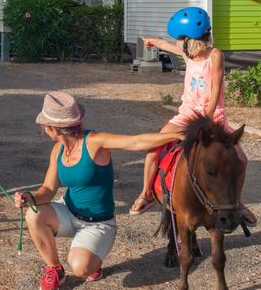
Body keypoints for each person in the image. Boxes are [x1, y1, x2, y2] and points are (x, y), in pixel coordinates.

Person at [14, 91, 183, 290]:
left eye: (44, 126)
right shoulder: (57, 150)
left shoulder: (94, 141)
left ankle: (93, 261)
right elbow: (49, 190)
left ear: (53, 129)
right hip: (68, 212)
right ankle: (54, 269)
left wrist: (176, 135)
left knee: (80, 268)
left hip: (98, 224)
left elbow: (135, 142)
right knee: (34, 215)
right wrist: (30, 198)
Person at [129, 7, 257, 228]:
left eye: (181, 39)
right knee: (153, 148)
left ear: (191, 40)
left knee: (242, 160)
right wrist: (153, 40)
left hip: (212, 117)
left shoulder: (214, 55)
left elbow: (216, 88)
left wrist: (207, 119)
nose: (178, 43)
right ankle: (147, 193)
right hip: (187, 114)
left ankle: (238, 203)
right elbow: (168, 46)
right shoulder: (189, 54)